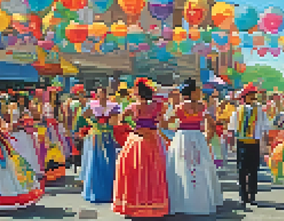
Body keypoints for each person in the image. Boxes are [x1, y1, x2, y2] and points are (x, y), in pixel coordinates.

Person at [113, 78, 169, 217]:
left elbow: (120, 120)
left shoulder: (133, 106)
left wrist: (131, 127)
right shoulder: (158, 105)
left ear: (138, 92)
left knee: (134, 171)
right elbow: (163, 123)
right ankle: (153, 203)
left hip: (136, 139)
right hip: (152, 139)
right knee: (153, 171)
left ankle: (134, 203)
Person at [166, 78, 223, 215]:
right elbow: (211, 122)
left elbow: (167, 122)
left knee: (181, 167)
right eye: (197, 90)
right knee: (200, 166)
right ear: (192, 92)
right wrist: (208, 136)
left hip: (182, 137)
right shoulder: (202, 106)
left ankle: (181, 201)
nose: (200, 92)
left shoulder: (179, 107)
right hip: (198, 136)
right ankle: (200, 200)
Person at [228, 83, 270, 208]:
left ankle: (252, 195)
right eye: (249, 96)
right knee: (242, 170)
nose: (252, 98)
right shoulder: (238, 111)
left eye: (253, 96)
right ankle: (243, 196)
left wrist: (265, 143)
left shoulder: (260, 111)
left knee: (253, 170)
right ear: (244, 97)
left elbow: (265, 127)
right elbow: (232, 127)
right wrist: (231, 143)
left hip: (254, 143)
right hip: (241, 143)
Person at [80, 87, 120, 203]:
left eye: (103, 93)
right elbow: (84, 115)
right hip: (96, 136)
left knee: (109, 162)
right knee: (95, 162)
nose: (101, 95)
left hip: (108, 135)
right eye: (99, 93)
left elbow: (115, 121)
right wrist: (93, 122)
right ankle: (95, 191)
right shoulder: (92, 104)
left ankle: (110, 190)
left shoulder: (113, 105)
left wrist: (108, 121)